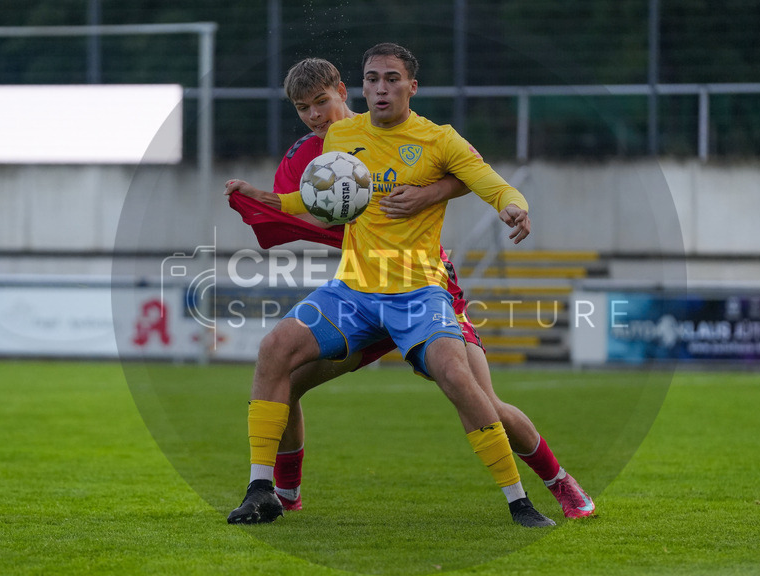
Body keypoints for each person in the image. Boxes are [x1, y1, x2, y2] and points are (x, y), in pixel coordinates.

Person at [225, 45, 589, 528]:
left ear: (344, 91)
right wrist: (263, 197)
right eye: (302, 108)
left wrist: (475, 199)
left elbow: (477, 175)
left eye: (321, 102)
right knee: (280, 367)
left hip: (424, 288)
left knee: (477, 394)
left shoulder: (429, 137)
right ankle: (274, 492)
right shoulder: (329, 145)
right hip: (356, 292)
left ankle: (552, 482)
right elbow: (302, 201)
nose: (314, 116)